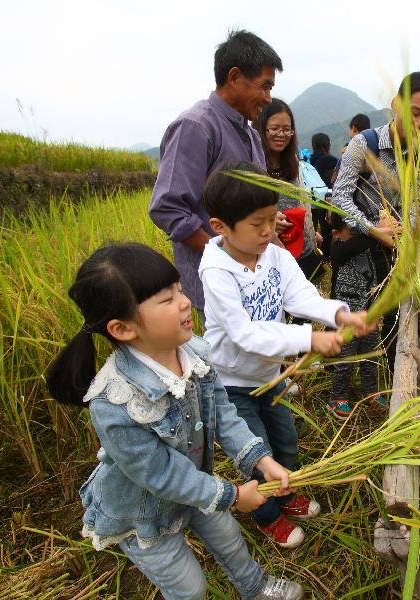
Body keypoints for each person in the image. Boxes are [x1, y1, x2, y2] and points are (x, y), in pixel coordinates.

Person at [45, 242, 303, 600]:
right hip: (142, 511)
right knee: (189, 587)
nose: (184, 302)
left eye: (179, 290)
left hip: (195, 486)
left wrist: (260, 459)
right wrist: (231, 495)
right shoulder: (113, 401)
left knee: (230, 539)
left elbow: (223, 413)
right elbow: (162, 474)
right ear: (122, 329)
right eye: (166, 300)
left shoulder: (194, 352)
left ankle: (256, 589)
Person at [198, 162, 375, 548]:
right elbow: (245, 334)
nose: (269, 230)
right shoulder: (216, 271)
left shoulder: (274, 255)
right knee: (255, 453)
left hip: (268, 376)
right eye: (257, 223)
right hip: (231, 383)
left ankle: (285, 492)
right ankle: (266, 514)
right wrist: (309, 340)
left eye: (271, 218)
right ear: (220, 227)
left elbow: (300, 296)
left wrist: (340, 314)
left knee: (287, 443)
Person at [149, 30, 285, 325]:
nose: (268, 98)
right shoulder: (195, 127)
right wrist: (228, 253)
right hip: (218, 289)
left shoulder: (249, 134)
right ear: (234, 77)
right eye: (264, 86)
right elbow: (167, 208)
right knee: (224, 367)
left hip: (254, 282)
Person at [332, 71, 420, 375]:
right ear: (396, 103)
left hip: (392, 254)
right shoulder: (363, 144)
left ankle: (385, 382)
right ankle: (340, 389)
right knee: (355, 317)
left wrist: (405, 234)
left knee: (393, 318)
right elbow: (339, 197)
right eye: (414, 112)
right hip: (357, 249)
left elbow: (417, 203)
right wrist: (372, 229)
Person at [255, 98, 324, 282]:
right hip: (271, 257)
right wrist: (267, 221)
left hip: (303, 250)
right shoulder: (253, 165)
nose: (281, 134)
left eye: (287, 129)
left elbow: (301, 202)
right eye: (275, 128)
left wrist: (310, 232)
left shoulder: (292, 160)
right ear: (261, 129)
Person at [327, 212, 384, 418]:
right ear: (336, 233)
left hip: (369, 310)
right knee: (347, 357)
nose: (358, 234)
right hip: (347, 313)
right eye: (352, 230)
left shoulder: (369, 247)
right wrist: (375, 231)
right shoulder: (339, 250)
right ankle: (337, 397)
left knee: (369, 354)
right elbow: (357, 244)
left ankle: (369, 391)